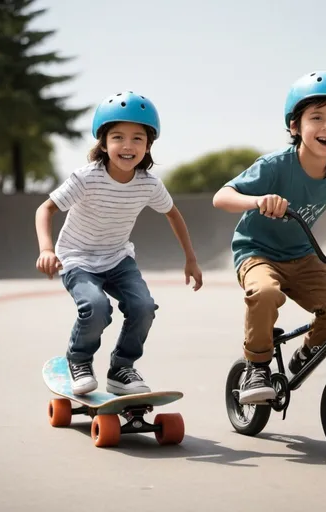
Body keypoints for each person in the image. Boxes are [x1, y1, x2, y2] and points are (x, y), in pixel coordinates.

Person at [212, 71, 326, 404]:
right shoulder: (274, 166)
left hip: (302, 256)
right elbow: (221, 197)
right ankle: (257, 366)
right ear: (296, 126)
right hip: (257, 253)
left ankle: (307, 351)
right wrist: (258, 201)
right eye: (317, 118)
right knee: (265, 292)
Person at [35, 91, 203, 396]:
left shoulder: (149, 184)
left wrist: (190, 258)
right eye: (118, 137)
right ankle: (79, 360)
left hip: (117, 259)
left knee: (143, 307)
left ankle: (121, 367)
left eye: (138, 138)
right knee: (96, 307)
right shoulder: (86, 178)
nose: (128, 146)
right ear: (103, 143)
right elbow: (45, 209)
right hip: (77, 258)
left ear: (149, 145)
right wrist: (47, 249)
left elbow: (174, 215)